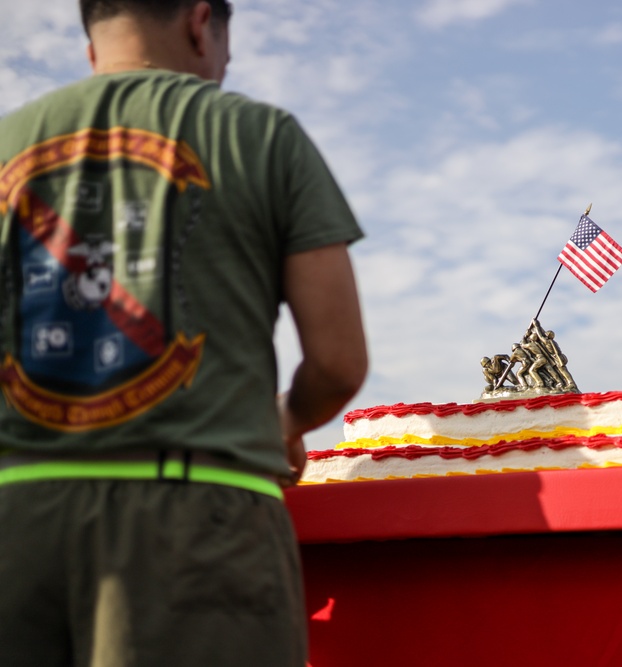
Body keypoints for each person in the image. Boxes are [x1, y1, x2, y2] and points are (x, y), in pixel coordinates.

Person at [0, 1, 367, 665]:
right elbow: (339, 362)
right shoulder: (262, 135)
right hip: (201, 528)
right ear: (202, 24)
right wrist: (284, 417)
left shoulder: (8, 143)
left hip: (14, 521)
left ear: (91, 45)